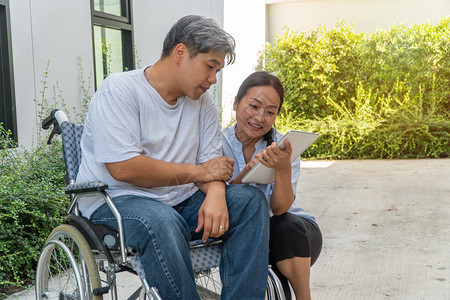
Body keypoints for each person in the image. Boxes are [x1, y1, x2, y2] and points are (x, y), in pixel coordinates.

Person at [76, 15, 270, 299]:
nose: (213, 80)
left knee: (250, 202)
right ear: (181, 53)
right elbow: (123, 169)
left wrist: (216, 195)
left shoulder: (202, 103)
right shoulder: (120, 90)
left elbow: (212, 166)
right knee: (163, 221)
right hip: (115, 202)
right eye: (210, 66)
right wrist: (199, 173)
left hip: (180, 202)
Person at [222, 71, 323, 300]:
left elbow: (280, 209)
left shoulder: (284, 146)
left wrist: (283, 167)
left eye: (270, 112)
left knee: (281, 224)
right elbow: (223, 199)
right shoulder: (217, 143)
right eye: (254, 106)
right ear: (236, 103)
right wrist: (248, 171)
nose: (260, 118)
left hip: (295, 235)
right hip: (248, 236)